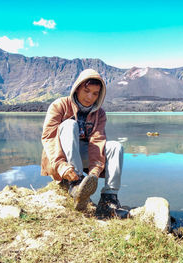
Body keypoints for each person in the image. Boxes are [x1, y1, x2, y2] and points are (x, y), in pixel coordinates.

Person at [41, 69, 126, 217]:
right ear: (77, 88)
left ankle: (108, 200)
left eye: (95, 93)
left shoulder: (100, 114)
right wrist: (61, 166)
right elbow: (49, 137)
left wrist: (94, 171)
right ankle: (76, 184)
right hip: (62, 159)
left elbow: (97, 142)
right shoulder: (59, 105)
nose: (90, 97)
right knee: (69, 125)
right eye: (86, 91)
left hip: (84, 155)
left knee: (115, 146)